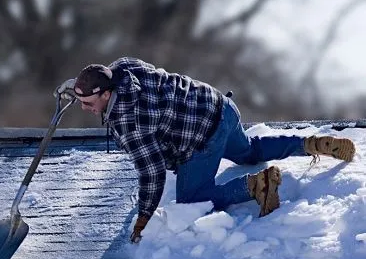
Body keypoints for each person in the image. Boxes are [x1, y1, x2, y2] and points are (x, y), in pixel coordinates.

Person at [69, 57, 356, 243]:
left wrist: (144, 216)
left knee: (192, 200)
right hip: (220, 106)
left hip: (200, 138)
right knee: (249, 152)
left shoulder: (130, 122)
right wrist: (75, 87)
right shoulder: (125, 67)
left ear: (107, 94)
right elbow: (108, 77)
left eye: (88, 101)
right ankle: (310, 144)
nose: (84, 108)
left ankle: (256, 185)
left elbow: (152, 173)